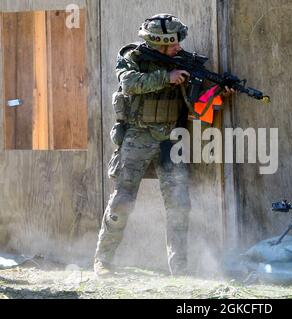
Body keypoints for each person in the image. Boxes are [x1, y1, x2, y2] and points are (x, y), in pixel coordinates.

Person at [94, 13, 233, 277]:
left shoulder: (184, 62)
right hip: (138, 136)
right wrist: (166, 77)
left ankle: (179, 269)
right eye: (172, 44)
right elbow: (128, 83)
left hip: (172, 139)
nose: (179, 47)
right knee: (122, 200)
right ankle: (102, 260)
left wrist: (218, 92)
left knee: (179, 205)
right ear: (158, 44)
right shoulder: (133, 58)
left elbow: (196, 105)